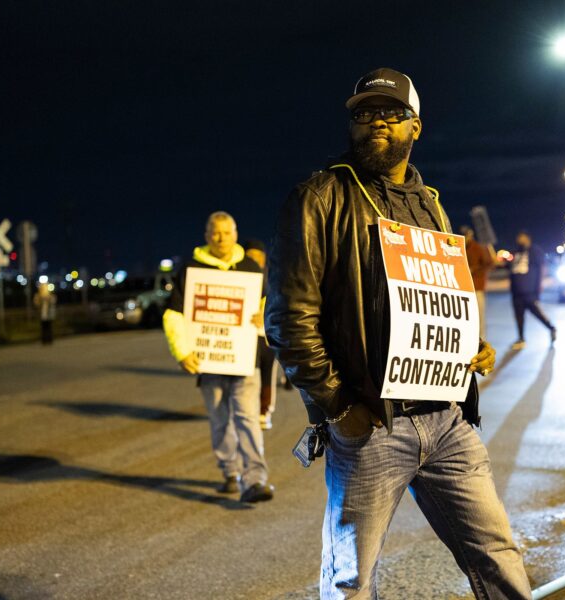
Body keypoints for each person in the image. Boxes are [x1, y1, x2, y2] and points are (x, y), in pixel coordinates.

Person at [266, 68, 530, 599]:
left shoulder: (430, 203)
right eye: (364, 114)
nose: (376, 123)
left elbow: (436, 299)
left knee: (498, 556)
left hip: (448, 421)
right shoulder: (319, 198)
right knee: (350, 582)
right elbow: (289, 320)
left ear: (416, 127)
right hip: (370, 427)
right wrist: (340, 406)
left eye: (390, 113)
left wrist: (468, 346)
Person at [162, 212, 274, 503]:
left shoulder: (250, 267)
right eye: (215, 232)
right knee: (220, 419)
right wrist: (182, 351)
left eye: (227, 232)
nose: (221, 237)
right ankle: (230, 472)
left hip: (244, 360)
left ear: (236, 234)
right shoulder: (190, 270)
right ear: (206, 235)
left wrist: (264, 316)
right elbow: (173, 314)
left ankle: (255, 480)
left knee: (248, 419)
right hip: (208, 362)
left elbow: (268, 304)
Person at [243, 239, 278, 430]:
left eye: (259, 258)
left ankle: (264, 411)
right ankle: (249, 410)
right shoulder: (238, 276)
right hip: (247, 337)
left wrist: (265, 314)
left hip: (267, 335)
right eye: (251, 258)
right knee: (250, 376)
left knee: (267, 374)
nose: (255, 262)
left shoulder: (273, 277)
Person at [508, 231, 556, 350]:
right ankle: (521, 338)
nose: (520, 240)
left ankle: (551, 328)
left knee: (538, 313)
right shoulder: (516, 252)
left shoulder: (535, 251)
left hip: (529, 292)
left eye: (522, 237)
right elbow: (508, 267)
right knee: (519, 316)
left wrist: (539, 286)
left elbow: (541, 268)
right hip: (516, 292)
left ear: (528, 238)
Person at [460, 225, 495, 338]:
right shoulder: (460, 248)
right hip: (465, 288)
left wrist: (474, 270)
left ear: (471, 235)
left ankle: (481, 340)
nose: (465, 238)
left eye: (466, 235)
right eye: (463, 235)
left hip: (477, 288)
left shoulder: (478, 247)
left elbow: (489, 263)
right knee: (467, 317)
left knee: (479, 316)